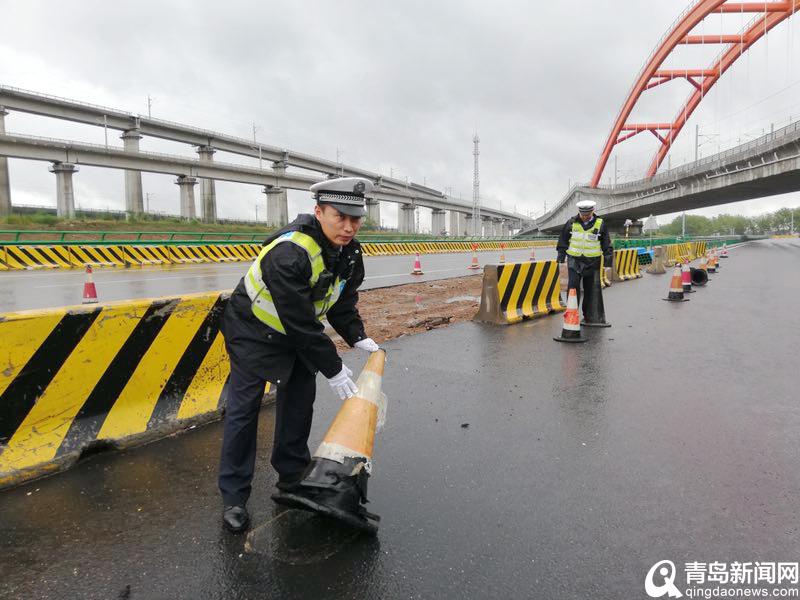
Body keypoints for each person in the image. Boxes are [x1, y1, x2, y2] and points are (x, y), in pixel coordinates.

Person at [217, 176, 380, 533]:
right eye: (340, 216)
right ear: (318, 211)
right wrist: (334, 368)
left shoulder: (350, 253)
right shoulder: (289, 252)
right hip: (252, 331)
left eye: (356, 219)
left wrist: (357, 336)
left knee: (299, 401)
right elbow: (300, 320)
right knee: (244, 411)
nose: (349, 227)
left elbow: (341, 301)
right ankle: (234, 496)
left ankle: (291, 476)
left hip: (296, 336)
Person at [556, 200, 613, 319]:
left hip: (592, 262)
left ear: (593, 211)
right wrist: (561, 258)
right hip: (574, 261)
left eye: (588, 215)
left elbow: (606, 244)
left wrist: (608, 263)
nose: (585, 217)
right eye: (583, 215)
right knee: (573, 286)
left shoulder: (600, 223)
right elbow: (563, 240)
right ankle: (572, 313)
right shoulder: (571, 222)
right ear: (579, 212)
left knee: (590, 289)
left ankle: (588, 315)